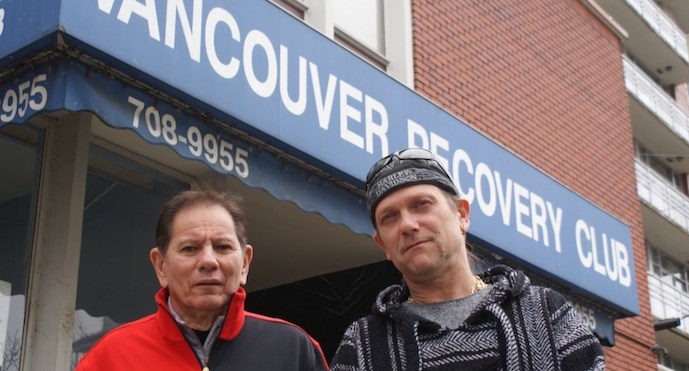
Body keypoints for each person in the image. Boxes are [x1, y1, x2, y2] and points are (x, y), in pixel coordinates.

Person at [330, 148, 605, 371]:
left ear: (461, 214)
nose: (408, 224)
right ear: (383, 245)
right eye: (389, 217)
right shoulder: (363, 346)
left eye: (421, 204)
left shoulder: (546, 314)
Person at [77, 190, 329, 371]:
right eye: (189, 248)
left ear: (244, 263)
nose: (208, 261)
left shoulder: (294, 349)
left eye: (222, 246)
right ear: (160, 265)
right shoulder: (110, 357)